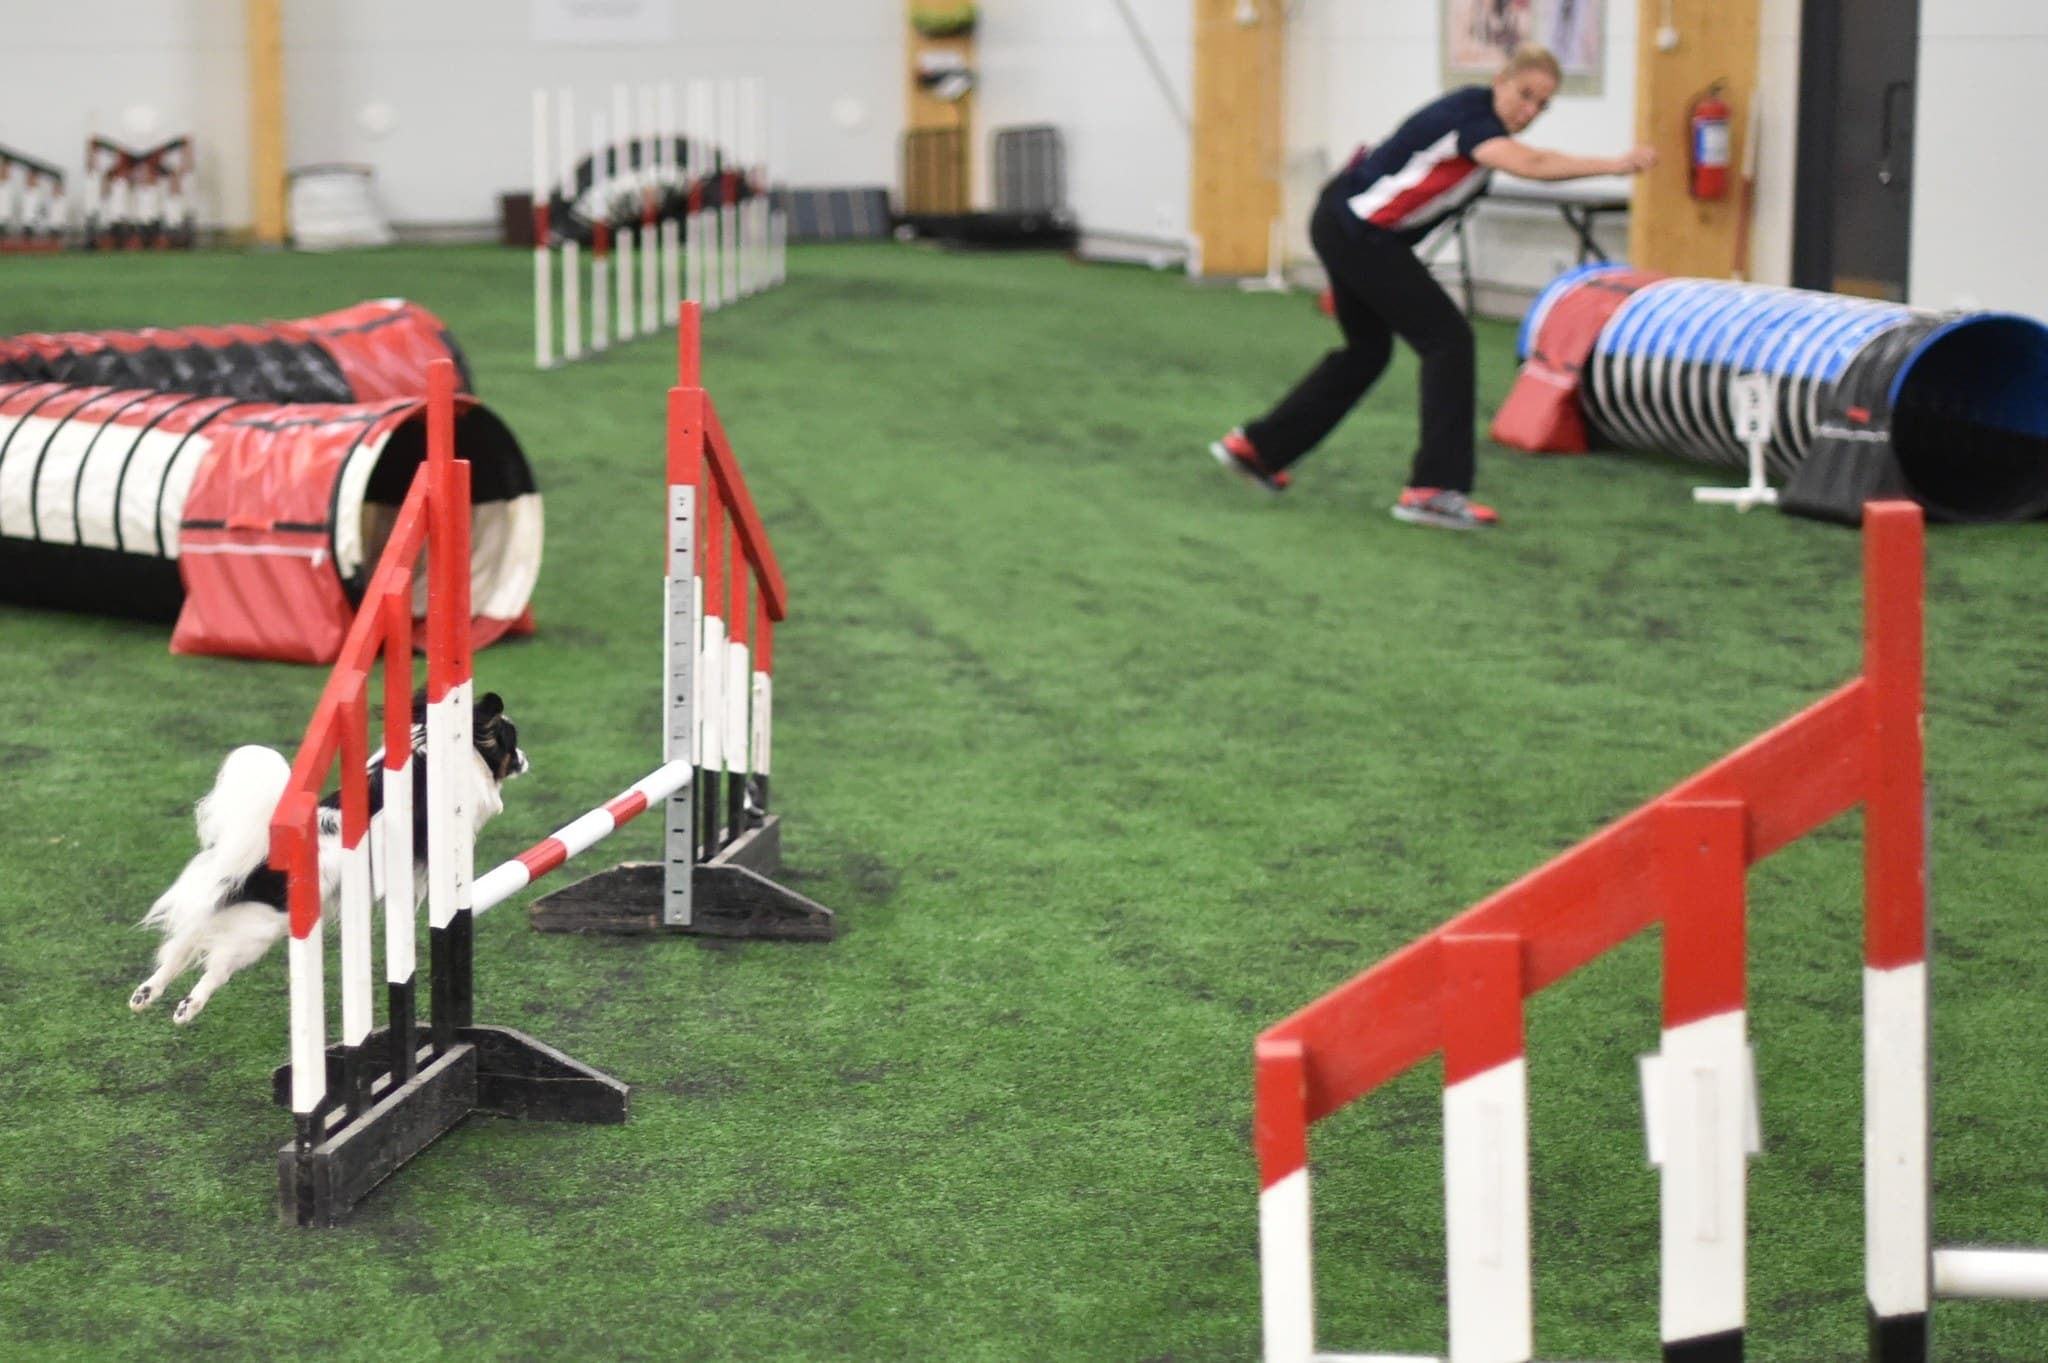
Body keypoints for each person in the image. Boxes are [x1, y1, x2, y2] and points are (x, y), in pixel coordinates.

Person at [1210, 44, 1657, 529]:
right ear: (1501, 81)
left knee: (1368, 351)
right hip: (1359, 231)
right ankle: (1434, 490)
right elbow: (1535, 165)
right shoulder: (1474, 119)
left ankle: (1257, 448)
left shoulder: (1478, 120)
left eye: (1541, 105)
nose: (1529, 111)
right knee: (1448, 341)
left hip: (1348, 224)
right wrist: (1615, 164)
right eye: (1524, 95)